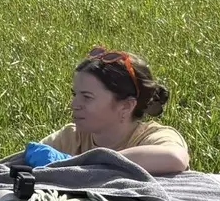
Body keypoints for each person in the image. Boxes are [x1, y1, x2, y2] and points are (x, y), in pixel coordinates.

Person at [36, 45, 189, 176]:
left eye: (87, 97)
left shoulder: (152, 138)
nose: (74, 104)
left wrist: (90, 163)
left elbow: (175, 158)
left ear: (126, 106)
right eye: (75, 94)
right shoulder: (71, 138)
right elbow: (24, 161)